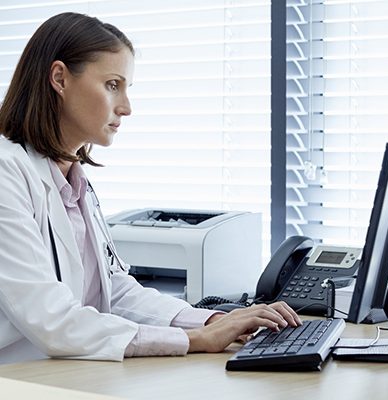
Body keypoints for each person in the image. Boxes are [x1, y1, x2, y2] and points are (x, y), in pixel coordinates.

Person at [0, 12, 302, 364]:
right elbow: (52, 319)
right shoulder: (8, 173)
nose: (126, 107)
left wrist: (215, 320)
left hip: (67, 375)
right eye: (113, 85)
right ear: (59, 78)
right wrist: (193, 339)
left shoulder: (74, 181)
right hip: (21, 378)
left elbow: (114, 290)